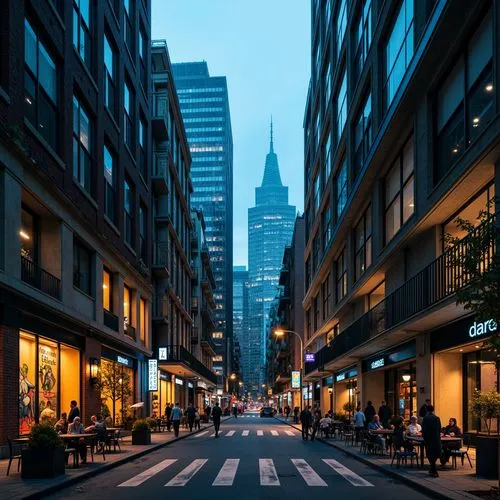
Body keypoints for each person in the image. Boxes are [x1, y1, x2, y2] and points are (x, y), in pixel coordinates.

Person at [422, 405, 442, 477]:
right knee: (435, 453)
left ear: (427, 410)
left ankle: (433, 469)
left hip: (429, 438)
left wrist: (424, 437)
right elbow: (440, 429)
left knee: (430, 453)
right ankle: (433, 469)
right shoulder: (437, 418)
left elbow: (424, 429)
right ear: (433, 410)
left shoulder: (425, 418)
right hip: (436, 438)